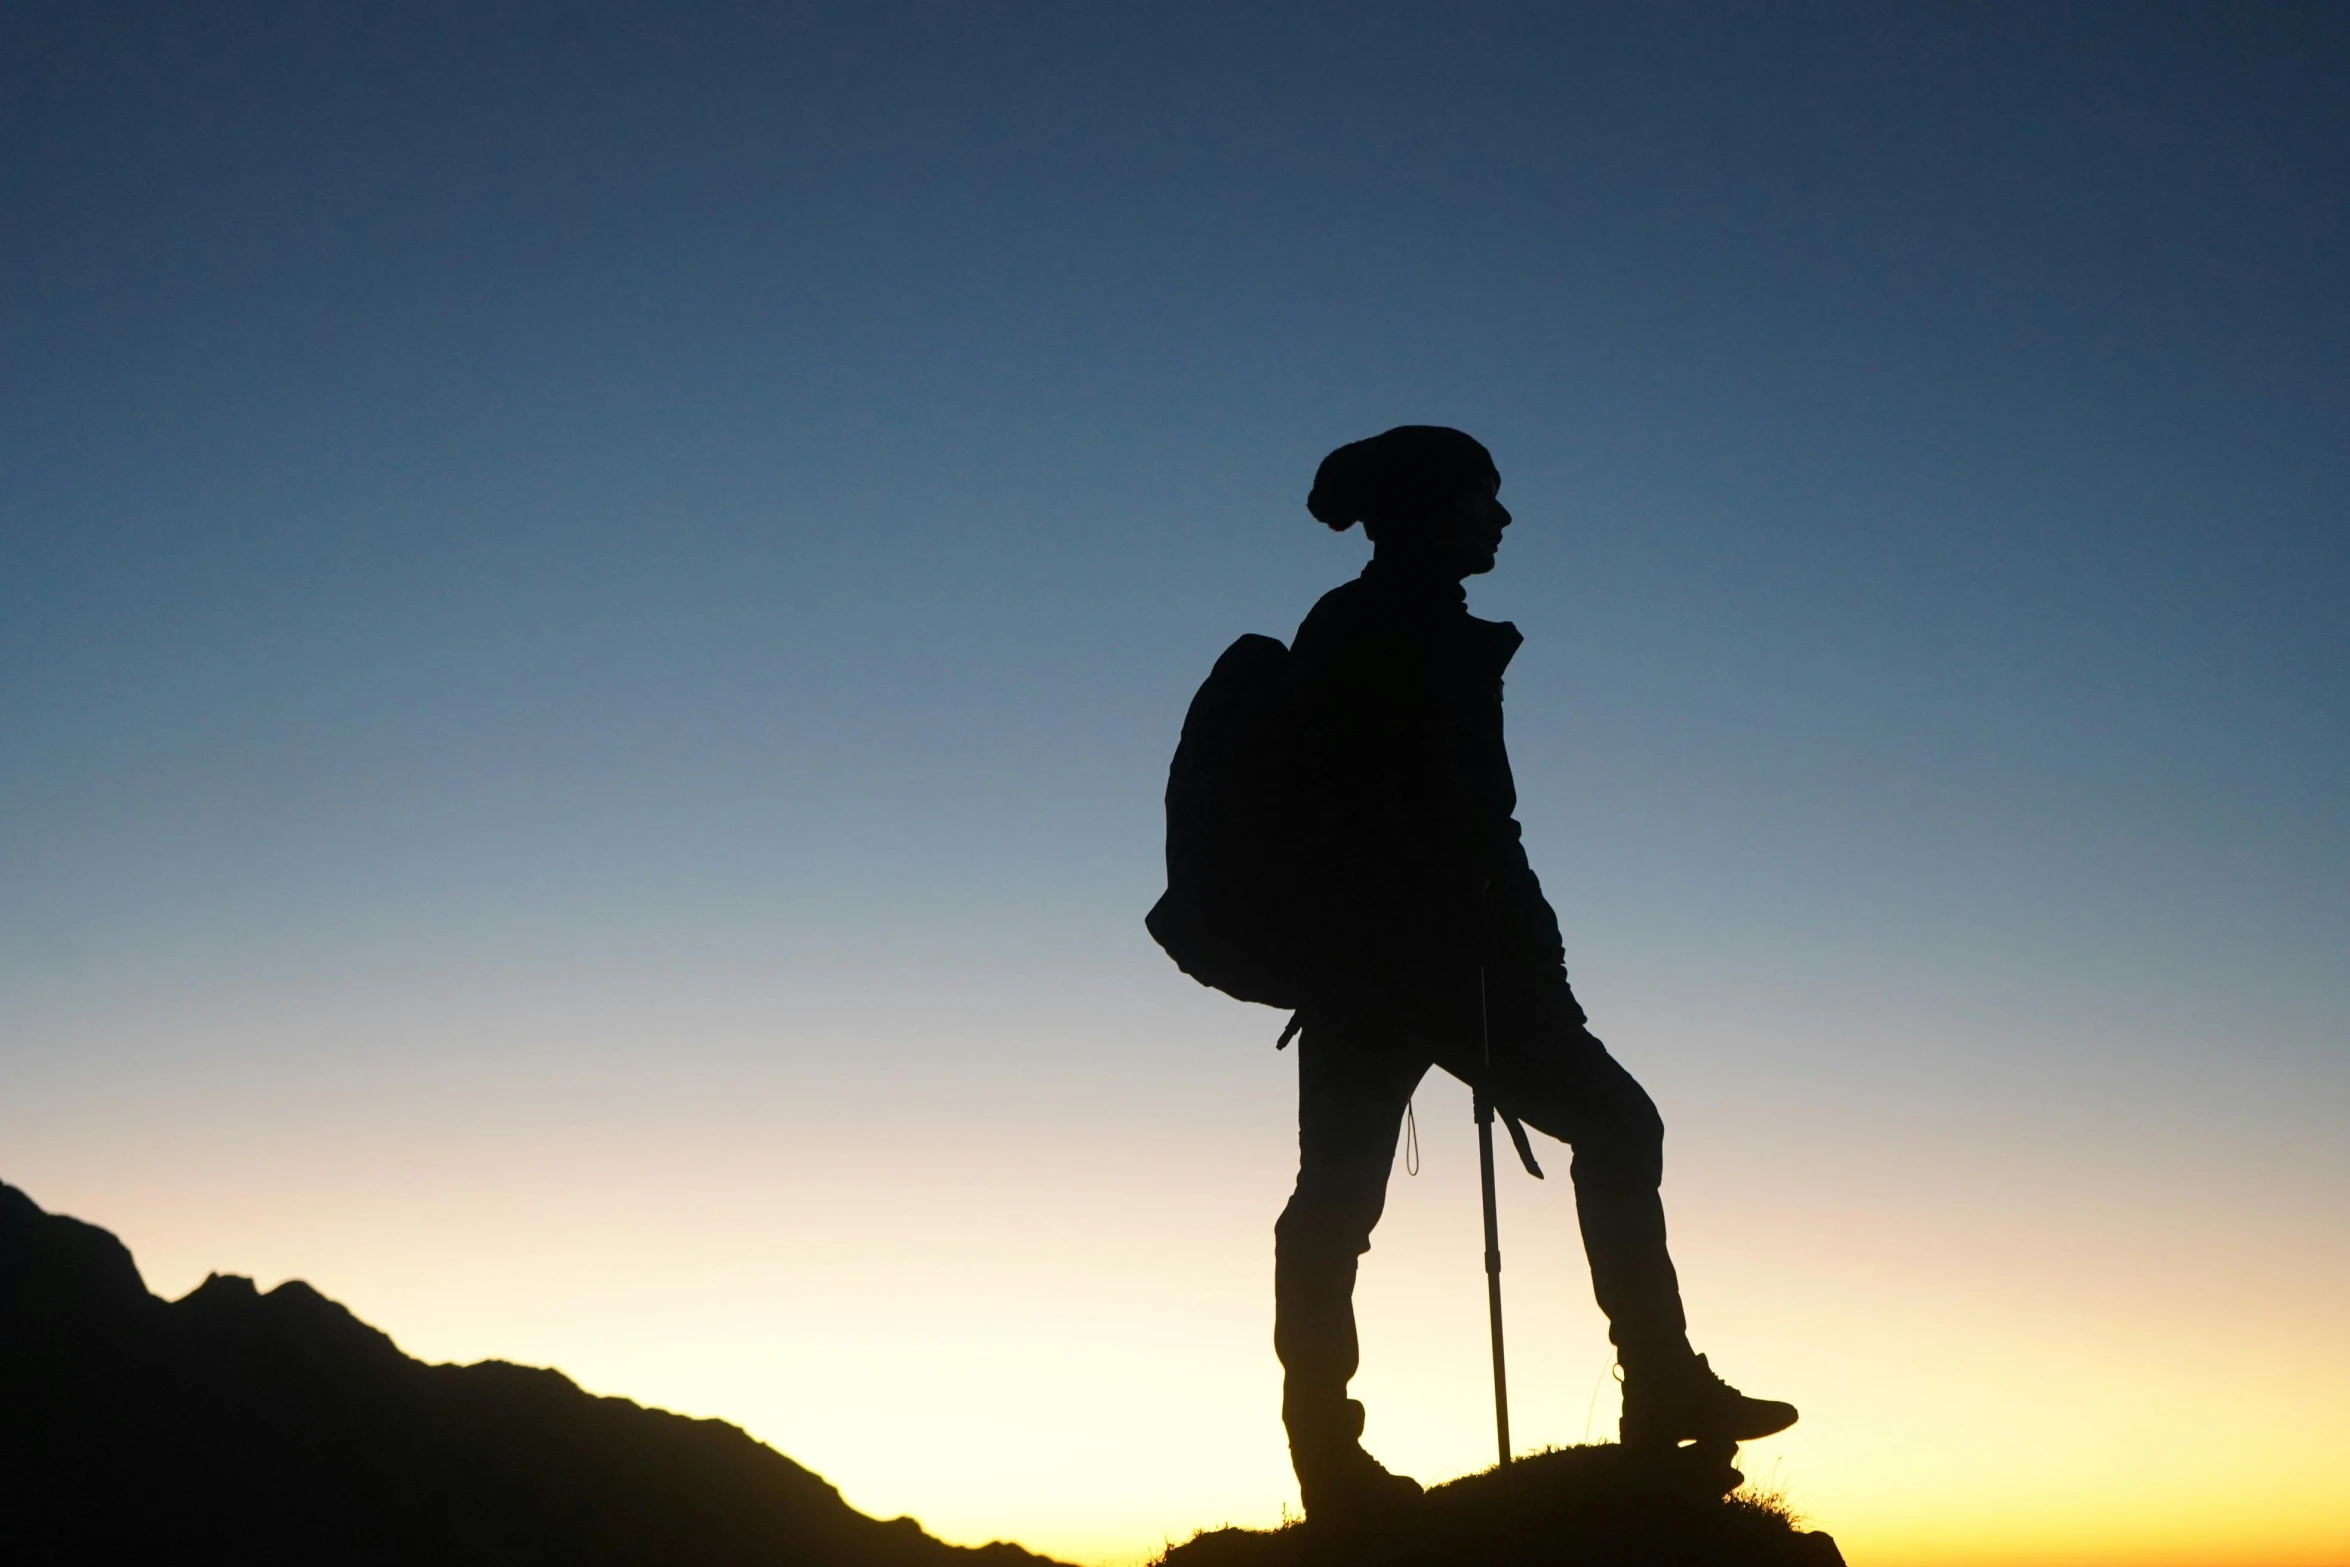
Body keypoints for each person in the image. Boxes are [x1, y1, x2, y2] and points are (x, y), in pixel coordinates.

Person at [1274, 426, 1796, 1519]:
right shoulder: (1383, 631)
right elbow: (1436, 820)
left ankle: (1337, 1456)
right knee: (1587, 1134)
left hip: (1390, 970)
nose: (1502, 520)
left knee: (1339, 1205)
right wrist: (1506, 947)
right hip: (1413, 967)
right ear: (1428, 510)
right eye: (1483, 499)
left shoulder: (1387, 626)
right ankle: (1647, 1395)